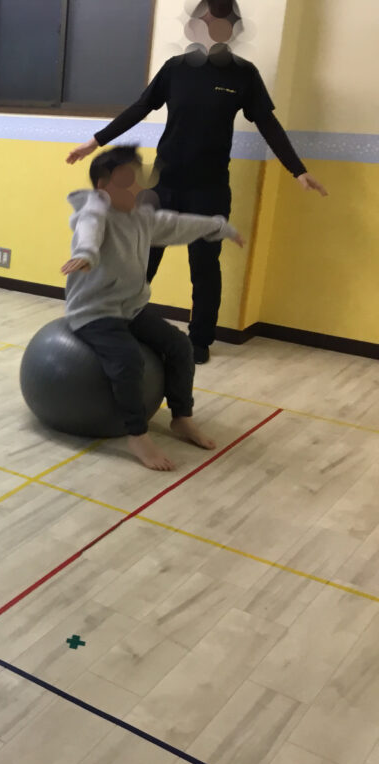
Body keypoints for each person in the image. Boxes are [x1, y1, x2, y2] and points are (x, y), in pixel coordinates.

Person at [66, 0, 326, 364]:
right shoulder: (176, 69)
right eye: (203, 22)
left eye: (218, 23)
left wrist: (298, 170)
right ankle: (118, 321)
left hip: (209, 188)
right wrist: (95, 141)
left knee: (205, 267)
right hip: (163, 184)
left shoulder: (243, 75)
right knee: (140, 259)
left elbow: (267, 123)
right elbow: (140, 107)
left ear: (231, 28)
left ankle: (200, 340)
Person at [62, 145, 244, 470]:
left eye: (140, 178)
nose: (139, 186)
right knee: (128, 359)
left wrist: (220, 227)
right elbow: (89, 232)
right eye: (128, 180)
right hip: (94, 312)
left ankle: (182, 417)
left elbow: (178, 225)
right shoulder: (95, 212)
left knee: (180, 346)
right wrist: (86, 254)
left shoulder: (142, 218)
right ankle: (137, 434)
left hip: (131, 308)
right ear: (103, 187)